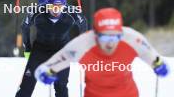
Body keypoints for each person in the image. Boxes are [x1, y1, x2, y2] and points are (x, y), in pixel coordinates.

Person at [35, 8, 169, 97]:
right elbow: (49, 66)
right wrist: (44, 73)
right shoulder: (82, 44)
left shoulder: (132, 38)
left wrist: (159, 65)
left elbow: (153, 57)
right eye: (105, 37)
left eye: (115, 37)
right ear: (95, 34)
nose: (110, 43)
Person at [15, 0, 87, 97]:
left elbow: (83, 24)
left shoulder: (71, 12)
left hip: (61, 52)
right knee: (26, 86)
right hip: (39, 51)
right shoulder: (37, 11)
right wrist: (28, 49)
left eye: (59, 6)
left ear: (64, 4)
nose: (56, 10)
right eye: (52, 6)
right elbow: (24, 26)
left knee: (61, 86)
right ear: (47, 4)